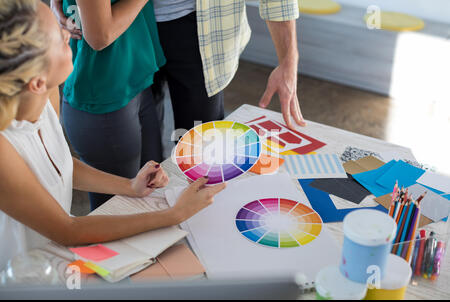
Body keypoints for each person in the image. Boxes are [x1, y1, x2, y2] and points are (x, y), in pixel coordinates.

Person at [0, 0, 226, 272]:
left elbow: (60, 163)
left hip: (54, 260)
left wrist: (129, 186)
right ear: (36, 80)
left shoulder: (44, 98)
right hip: (24, 274)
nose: (66, 32)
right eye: (58, 40)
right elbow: (67, 229)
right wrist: (174, 214)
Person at [54, 0, 306, 135]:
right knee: (142, 147)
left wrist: (288, 59)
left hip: (199, 31)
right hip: (128, 31)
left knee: (200, 144)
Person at [51, 0, 167, 210]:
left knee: (154, 191)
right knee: (118, 210)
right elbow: (99, 36)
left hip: (134, 73)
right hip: (105, 88)